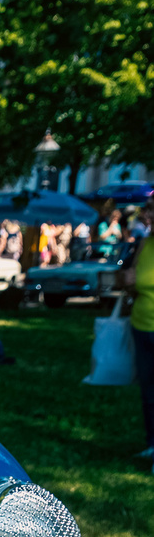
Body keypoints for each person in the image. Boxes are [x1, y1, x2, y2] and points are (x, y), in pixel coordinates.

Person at [123, 199, 154, 466]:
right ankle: (151, 443)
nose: (146, 214)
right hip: (142, 325)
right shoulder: (145, 243)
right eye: (147, 209)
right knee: (148, 389)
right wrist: (129, 281)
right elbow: (132, 282)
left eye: (152, 208)